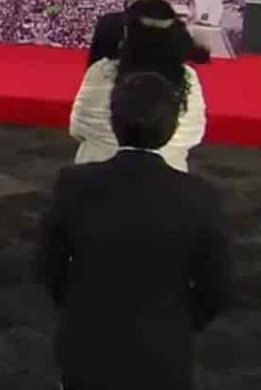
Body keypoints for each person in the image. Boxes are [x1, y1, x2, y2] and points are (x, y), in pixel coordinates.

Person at [39, 72, 231, 390]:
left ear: (114, 122)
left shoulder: (74, 185)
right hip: (164, 352)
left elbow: (49, 267)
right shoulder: (201, 196)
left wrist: (77, 306)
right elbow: (217, 287)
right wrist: (179, 322)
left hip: (86, 344)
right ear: (173, 127)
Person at [71, 0, 206, 172]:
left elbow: (78, 128)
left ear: (128, 33)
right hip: (168, 176)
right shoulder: (188, 78)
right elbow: (193, 135)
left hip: (94, 174)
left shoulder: (101, 71)